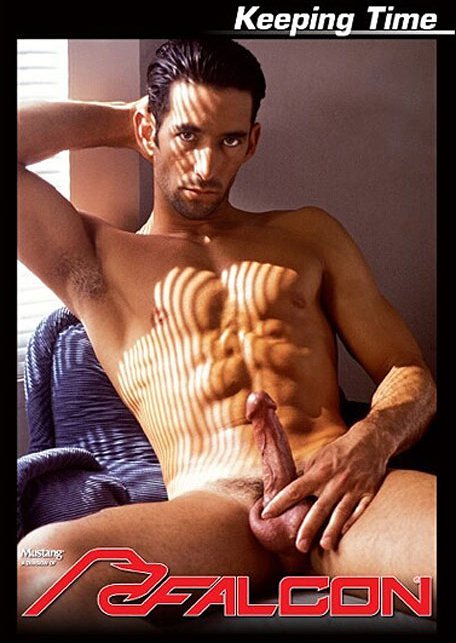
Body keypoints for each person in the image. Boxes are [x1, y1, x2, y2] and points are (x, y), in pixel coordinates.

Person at [17, 38, 436, 632]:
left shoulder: (309, 235)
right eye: (188, 135)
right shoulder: (97, 260)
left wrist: (371, 441)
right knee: (37, 569)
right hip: (217, 512)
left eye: (230, 140)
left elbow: (407, 370)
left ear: (253, 141)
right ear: (150, 129)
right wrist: (125, 122)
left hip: (340, 494)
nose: (207, 167)